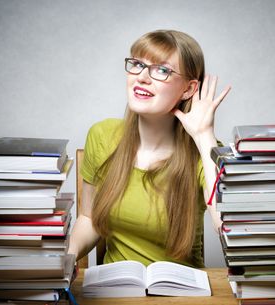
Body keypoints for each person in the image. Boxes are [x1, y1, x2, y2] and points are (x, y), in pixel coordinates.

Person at [68, 29, 230, 268]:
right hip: (114, 293)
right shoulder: (102, 136)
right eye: (137, 64)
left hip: (182, 296)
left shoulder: (205, 153)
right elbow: (89, 218)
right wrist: (66, 259)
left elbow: (226, 228)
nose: (142, 77)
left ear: (188, 89)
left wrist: (204, 136)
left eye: (162, 70)